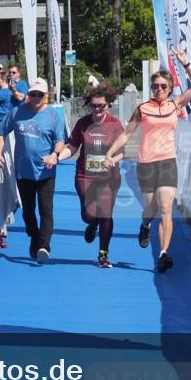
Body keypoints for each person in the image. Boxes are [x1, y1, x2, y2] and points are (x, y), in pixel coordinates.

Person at [105, 47, 191, 274]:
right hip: (146, 163)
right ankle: (145, 225)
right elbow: (126, 134)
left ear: (169, 89)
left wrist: (186, 63)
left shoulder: (174, 105)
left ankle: (163, 254)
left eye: (163, 86)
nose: (158, 89)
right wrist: (110, 154)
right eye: (155, 86)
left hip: (167, 161)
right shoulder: (143, 109)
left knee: (166, 206)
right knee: (150, 208)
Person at [0, 77, 66, 264]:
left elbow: (60, 140)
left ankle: (44, 246)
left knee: (46, 209)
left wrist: (55, 155)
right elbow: (1, 132)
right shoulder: (17, 111)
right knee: (28, 211)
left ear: (46, 96)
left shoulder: (53, 115)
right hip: (23, 171)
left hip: (46, 171)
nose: (35, 97)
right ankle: (35, 237)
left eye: (39, 95)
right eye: (32, 94)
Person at [58, 82, 125, 268]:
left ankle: (103, 254)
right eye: (94, 105)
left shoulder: (115, 124)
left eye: (101, 106)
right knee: (88, 215)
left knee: (105, 214)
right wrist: (57, 157)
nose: (97, 109)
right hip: (85, 175)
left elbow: (122, 151)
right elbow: (72, 146)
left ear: (107, 105)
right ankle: (91, 224)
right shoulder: (82, 123)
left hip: (108, 177)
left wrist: (113, 159)